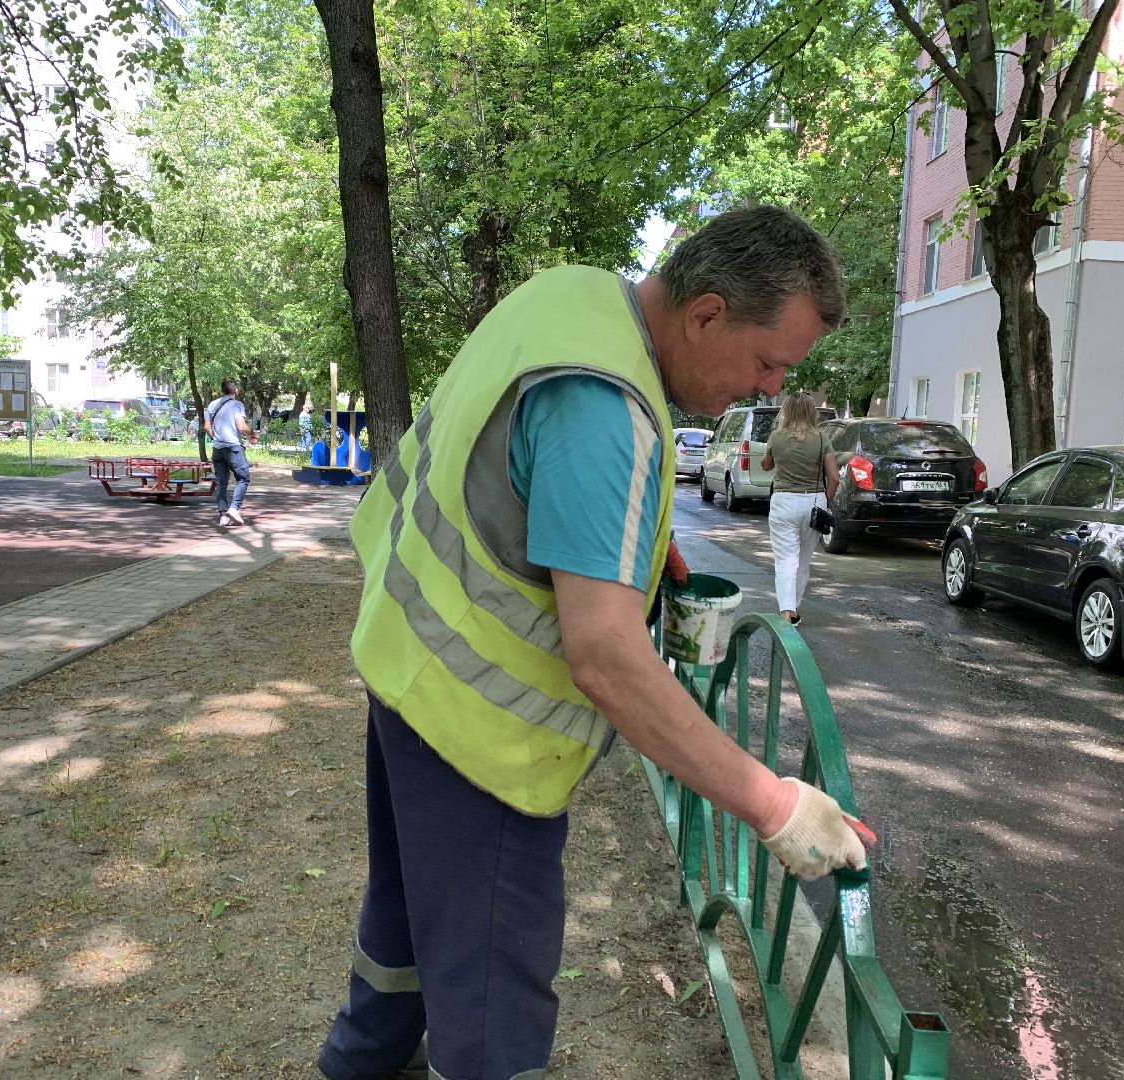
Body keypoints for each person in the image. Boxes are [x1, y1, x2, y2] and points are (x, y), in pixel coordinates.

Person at [318, 206, 871, 1080]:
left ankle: (354, 1065)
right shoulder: (607, 410)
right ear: (707, 313)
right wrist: (771, 805)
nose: (770, 390)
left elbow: (510, 471)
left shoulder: (572, 298)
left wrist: (630, 539)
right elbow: (606, 657)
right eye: (769, 363)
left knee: (403, 938)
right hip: (483, 744)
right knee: (494, 1026)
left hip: (407, 671)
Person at [760, 392, 841, 626]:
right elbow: (834, 478)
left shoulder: (776, 437)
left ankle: (787, 611)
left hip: (784, 502)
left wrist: (769, 457)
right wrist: (826, 501)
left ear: (786, 411)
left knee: (785, 560)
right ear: (810, 412)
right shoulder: (822, 438)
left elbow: (766, 466)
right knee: (803, 563)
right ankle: (793, 609)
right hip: (814, 503)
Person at [203, 378, 256, 526]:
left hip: (217, 449)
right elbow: (241, 427)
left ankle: (223, 515)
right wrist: (253, 433)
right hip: (233, 448)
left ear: (222, 390)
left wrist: (217, 438)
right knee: (243, 478)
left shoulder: (212, 405)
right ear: (235, 391)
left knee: (221, 481)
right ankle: (234, 509)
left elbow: (207, 427)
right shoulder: (237, 405)